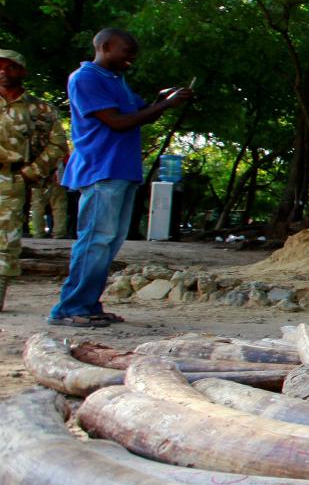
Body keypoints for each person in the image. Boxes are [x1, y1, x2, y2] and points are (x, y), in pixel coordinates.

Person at [48, 29, 194, 327]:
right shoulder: (86, 78)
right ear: (103, 47)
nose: (131, 58)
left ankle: (87, 305)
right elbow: (117, 122)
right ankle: (71, 308)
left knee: (109, 242)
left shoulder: (115, 80)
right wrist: (166, 105)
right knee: (95, 240)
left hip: (121, 169)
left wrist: (161, 100)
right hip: (102, 168)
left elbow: (139, 111)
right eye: (126, 51)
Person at [1, 49, 69, 313]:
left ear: (22, 71)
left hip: (11, 177)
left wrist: (31, 172)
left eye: (10, 67)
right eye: (0, 66)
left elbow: (57, 144)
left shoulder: (40, 109)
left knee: (5, 240)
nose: (4, 71)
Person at [29, 158, 71, 240]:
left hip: (38, 176)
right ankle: (59, 233)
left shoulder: (33, 147)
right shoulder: (57, 147)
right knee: (59, 206)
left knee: (37, 206)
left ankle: (38, 233)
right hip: (56, 177)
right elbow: (66, 161)